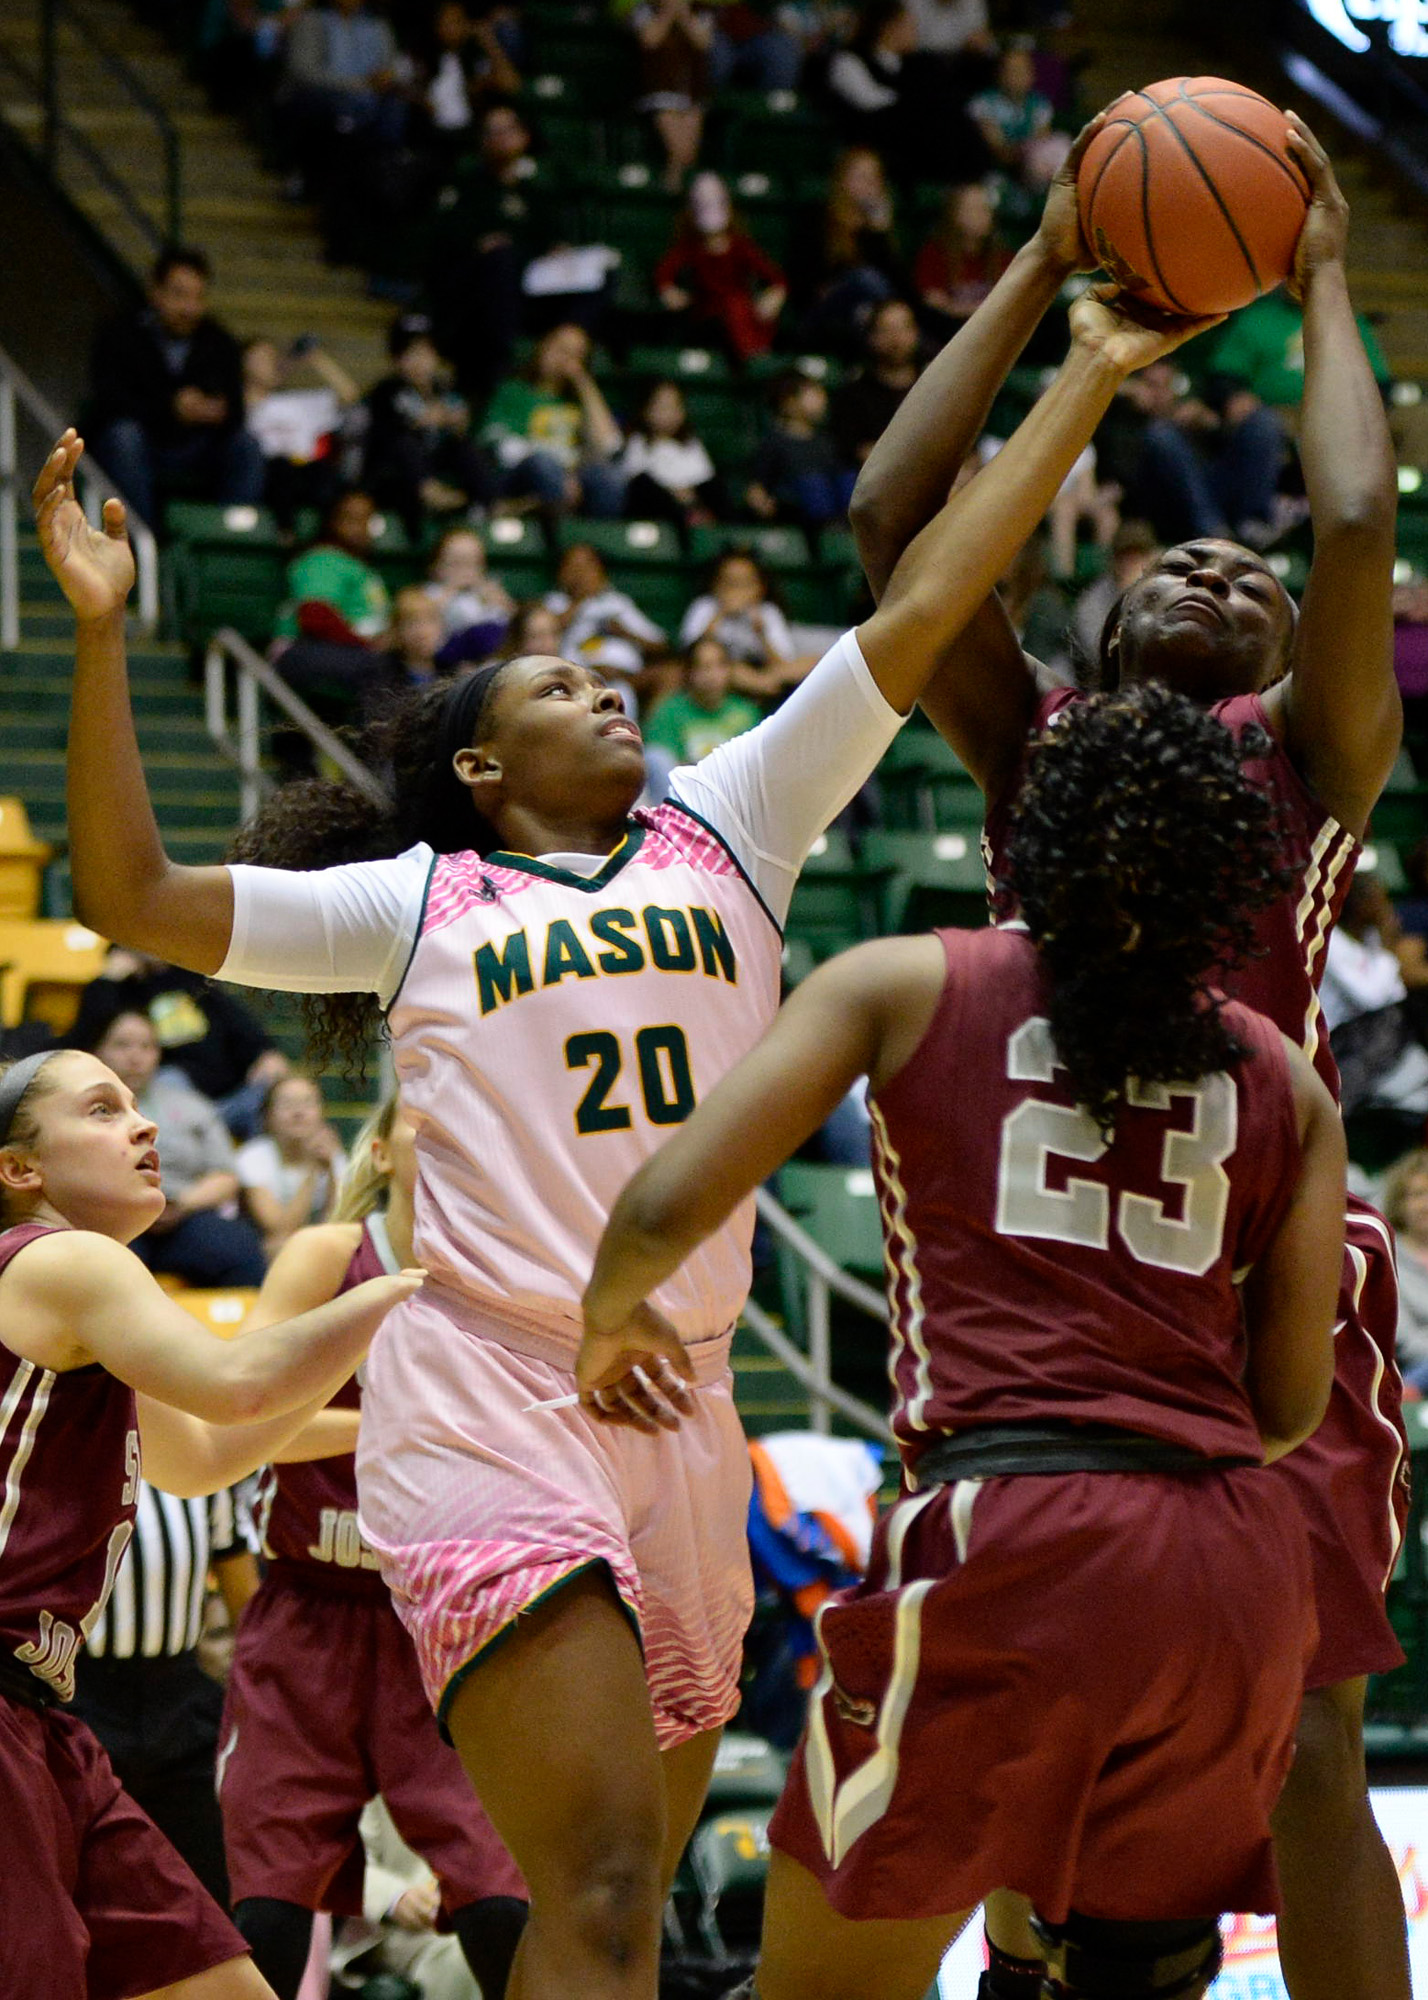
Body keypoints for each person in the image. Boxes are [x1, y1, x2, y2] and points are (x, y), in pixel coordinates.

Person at [42, 278, 1201, 1999]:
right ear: (481, 770)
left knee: (622, 1920)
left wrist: (1089, 370)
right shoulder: (415, 899)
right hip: (490, 1391)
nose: (607, 692)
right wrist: (99, 632)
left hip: (688, 1403)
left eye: (607, 678)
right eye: (558, 686)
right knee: (585, 1894)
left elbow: (924, 602)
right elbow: (133, 895)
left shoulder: (730, 825)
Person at [845, 107, 1411, 2000]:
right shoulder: (1036, 744)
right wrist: (1039, 267)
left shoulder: (1308, 756)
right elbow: (892, 529)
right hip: (1046, 1258)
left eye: (1251, 582)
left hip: (1258, 1249)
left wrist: (1319, 275)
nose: (1221, 569)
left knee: (1309, 1730)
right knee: (1029, 1706)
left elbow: (1350, 521)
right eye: (1180, 560)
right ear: (1093, 627)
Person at [578, 684, 1342, 2000]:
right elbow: (1287, 1402)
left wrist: (607, 1324)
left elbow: (654, 1212)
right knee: (1124, 1979)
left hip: (1014, 1520)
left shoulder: (904, 977)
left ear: (1034, 831)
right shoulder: (1287, 1073)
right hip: (1231, 1561)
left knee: (826, 1989)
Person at [0, 1041, 421, 1998]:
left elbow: (200, 1457)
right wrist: (404, 1289)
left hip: (40, 1714)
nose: (144, 1123)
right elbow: (237, 1384)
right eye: (102, 1110)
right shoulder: (63, 1259)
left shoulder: (79, 1298)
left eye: (134, 1103)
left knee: (221, 1984)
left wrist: (389, 1419)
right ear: (20, 1169)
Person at [219, 1101, 527, 2000]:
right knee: (270, 1909)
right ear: (383, 1151)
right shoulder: (328, 1254)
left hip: (442, 1616)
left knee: (499, 1903)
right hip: (309, 1611)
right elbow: (246, 1417)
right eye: (427, 1121)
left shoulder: (504, 1269)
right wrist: (399, 1423)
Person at [70, 1477, 257, 1909]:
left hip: (182, 1704)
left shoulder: (203, 1467)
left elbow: (246, 1602)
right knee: (84, 1895)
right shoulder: (61, 1458)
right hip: (78, 1701)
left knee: (206, 1894)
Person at [89, 246, 265, 530]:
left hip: (197, 446)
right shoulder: (121, 334)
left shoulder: (218, 341)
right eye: (179, 295)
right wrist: (171, 407)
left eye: (198, 297)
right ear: (156, 292)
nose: (189, 308)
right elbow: (109, 401)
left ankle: (229, 536)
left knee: (246, 446)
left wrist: (215, 411)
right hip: (144, 442)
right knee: (123, 438)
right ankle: (142, 541)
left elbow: (236, 409)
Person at [92, 1010, 267, 1289]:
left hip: (183, 1214)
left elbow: (226, 1176)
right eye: (122, 1045)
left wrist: (180, 1204)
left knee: (240, 1247)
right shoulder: (81, 1109)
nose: (135, 1057)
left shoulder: (192, 1106)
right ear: (98, 1051)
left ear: (158, 1054)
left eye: (146, 1046)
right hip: (110, 1217)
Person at [70, 946, 290, 1141]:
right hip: (174, 1099)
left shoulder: (190, 979)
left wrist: (264, 1051)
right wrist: (107, 981)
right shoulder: (120, 988)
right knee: (170, 1079)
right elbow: (88, 1038)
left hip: (228, 1097)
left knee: (280, 1091)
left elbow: (235, 1021)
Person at [362, 314, 491, 541]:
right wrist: (426, 419)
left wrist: (456, 422)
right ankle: (429, 492)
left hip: (435, 461)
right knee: (405, 444)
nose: (419, 362)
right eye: (410, 354)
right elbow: (386, 435)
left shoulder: (445, 390)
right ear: (396, 359)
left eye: (425, 353)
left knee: (463, 448)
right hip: (396, 474)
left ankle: (487, 501)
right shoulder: (386, 391)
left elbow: (461, 427)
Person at [480, 322, 626, 521]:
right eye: (560, 349)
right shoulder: (513, 391)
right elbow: (502, 448)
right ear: (543, 346)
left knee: (607, 478)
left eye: (575, 355)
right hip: (523, 476)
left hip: (571, 477)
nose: (565, 359)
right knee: (544, 466)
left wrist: (584, 385)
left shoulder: (579, 403)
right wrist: (561, 472)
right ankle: (556, 532)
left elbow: (610, 445)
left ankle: (595, 537)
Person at [654, 174, 787, 367]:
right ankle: (751, 357)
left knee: (737, 305)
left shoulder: (741, 246)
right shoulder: (690, 247)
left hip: (742, 314)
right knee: (732, 307)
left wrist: (775, 295)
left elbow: (775, 277)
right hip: (705, 315)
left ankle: (753, 356)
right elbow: (663, 273)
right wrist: (668, 290)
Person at [235, 1074, 348, 1263]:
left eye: (308, 1103)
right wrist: (313, 1172)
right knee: (279, 1246)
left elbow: (339, 1223)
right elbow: (279, 1230)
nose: (298, 1112)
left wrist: (331, 1173)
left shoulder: (334, 1155)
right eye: (287, 1104)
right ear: (268, 1115)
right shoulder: (253, 1157)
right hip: (261, 1251)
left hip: (318, 1244)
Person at [678, 549, 804, 701]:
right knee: (732, 670)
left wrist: (761, 633)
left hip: (764, 671)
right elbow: (691, 657)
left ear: (760, 587)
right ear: (715, 584)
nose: (736, 589)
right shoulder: (705, 607)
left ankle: (763, 685)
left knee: (809, 663)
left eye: (745, 583)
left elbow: (782, 663)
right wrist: (721, 613)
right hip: (722, 670)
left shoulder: (767, 611)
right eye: (730, 582)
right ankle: (762, 686)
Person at [746, 374, 854, 533]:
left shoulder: (827, 441)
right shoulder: (775, 443)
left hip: (838, 517)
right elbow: (758, 486)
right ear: (789, 402)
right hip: (797, 516)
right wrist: (762, 504)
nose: (822, 398)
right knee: (814, 486)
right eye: (813, 392)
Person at [829, 298, 922, 475]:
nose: (897, 339)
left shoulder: (938, 387)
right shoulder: (852, 396)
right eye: (887, 330)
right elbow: (860, 452)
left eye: (904, 327)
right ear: (871, 337)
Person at [630, 0, 713, 189]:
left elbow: (704, 42)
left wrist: (684, 15)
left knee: (687, 155)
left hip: (692, 94)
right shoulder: (644, 9)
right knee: (678, 151)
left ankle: (675, 193)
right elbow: (650, 39)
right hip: (659, 93)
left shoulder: (701, 10)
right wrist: (668, 13)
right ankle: (671, 194)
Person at [618, 380, 720, 532]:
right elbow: (634, 479)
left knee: (714, 487)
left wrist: (689, 496)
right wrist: (673, 492)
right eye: (661, 407)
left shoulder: (691, 444)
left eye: (674, 407)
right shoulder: (638, 442)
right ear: (645, 410)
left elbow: (704, 478)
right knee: (643, 485)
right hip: (659, 506)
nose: (668, 414)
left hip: (690, 503)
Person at [913, 181, 1011, 331]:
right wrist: (975, 310)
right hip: (950, 332)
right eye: (974, 209)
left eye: (986, 209)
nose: (983, 215)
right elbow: (933, 304)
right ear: (954, 214)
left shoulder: (1002, 256)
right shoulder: (934, 254)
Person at [426, 525, 515, 663]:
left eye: (472, 563)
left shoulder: (489, 592)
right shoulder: (431, 593)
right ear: (437, 565)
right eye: (456, 563)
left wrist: (499, 600)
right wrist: (451, 590)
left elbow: (515, 624)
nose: (465, 570)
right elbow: (424, 624)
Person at [1383, 1147, 1428, 1392]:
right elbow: (1404, 1341)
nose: (1426, 1204)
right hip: (1414, 1369)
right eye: (1418, 1194)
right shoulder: (1387, 1257)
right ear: (1399, 1203)